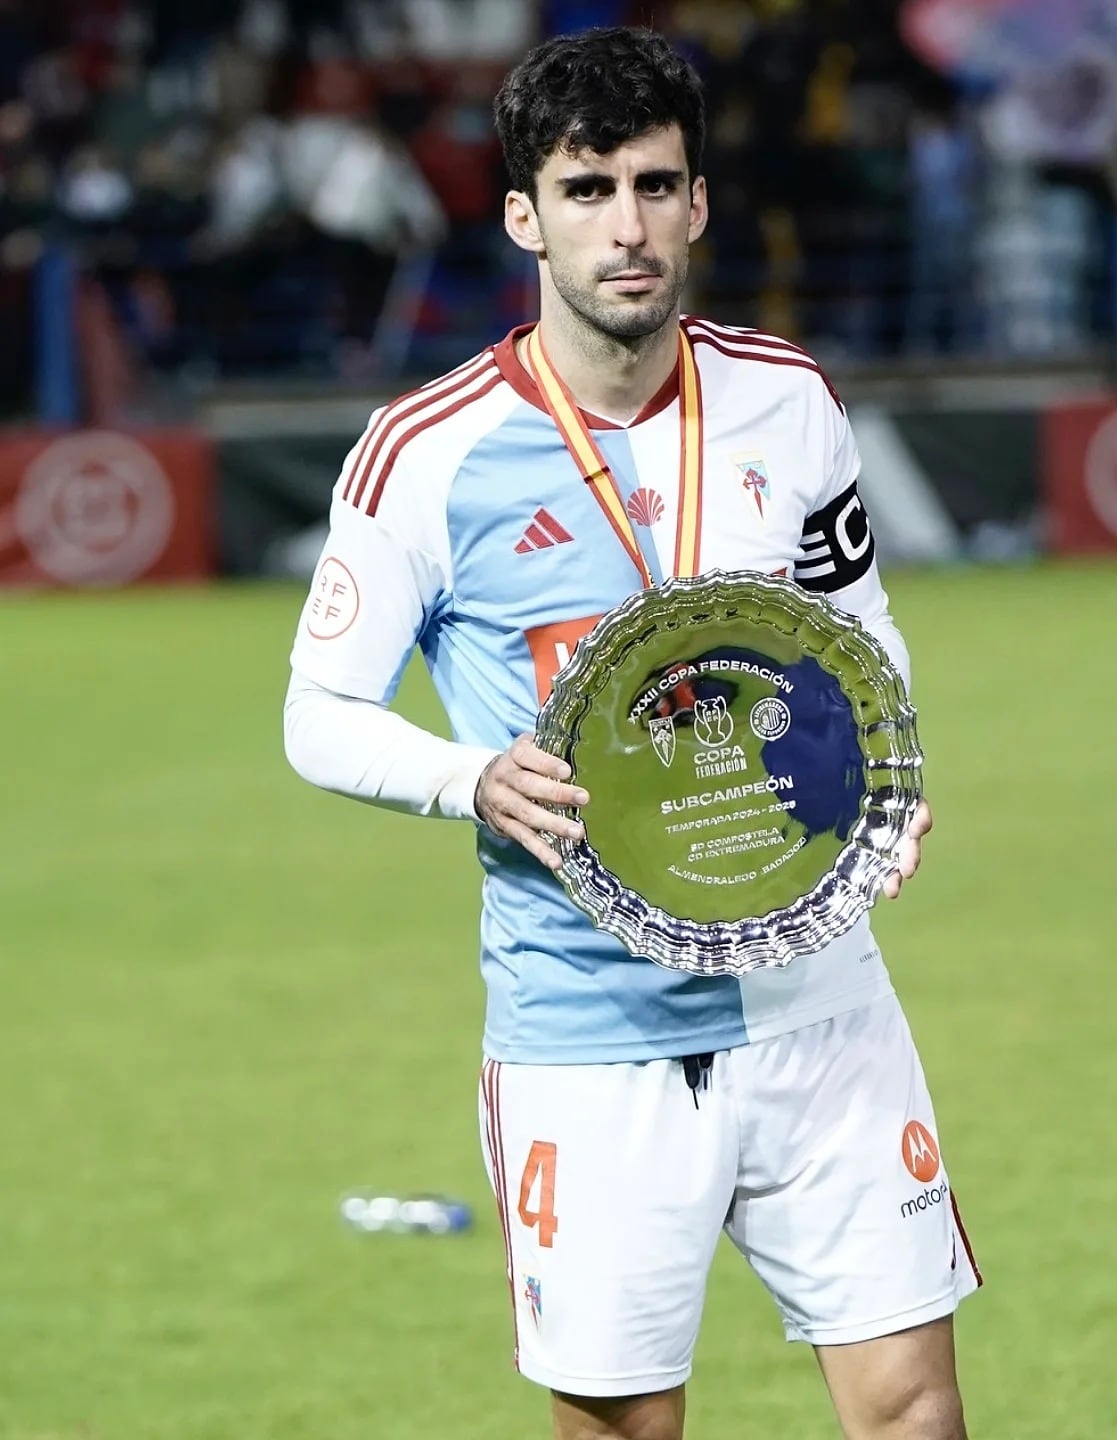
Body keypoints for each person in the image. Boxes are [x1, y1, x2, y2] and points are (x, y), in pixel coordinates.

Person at [283, 26, 981, 1440]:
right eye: (590, 191)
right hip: (584, 1034)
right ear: (524, 216)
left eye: (658, 186)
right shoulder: (429, 453)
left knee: (912, 1411)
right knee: (626, 1429)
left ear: (702, 202)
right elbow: (317, 714)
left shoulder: (787, 400)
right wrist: (465, 775)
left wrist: (888, 782)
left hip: (818, 998)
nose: (630, 226)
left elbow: (860, 629)